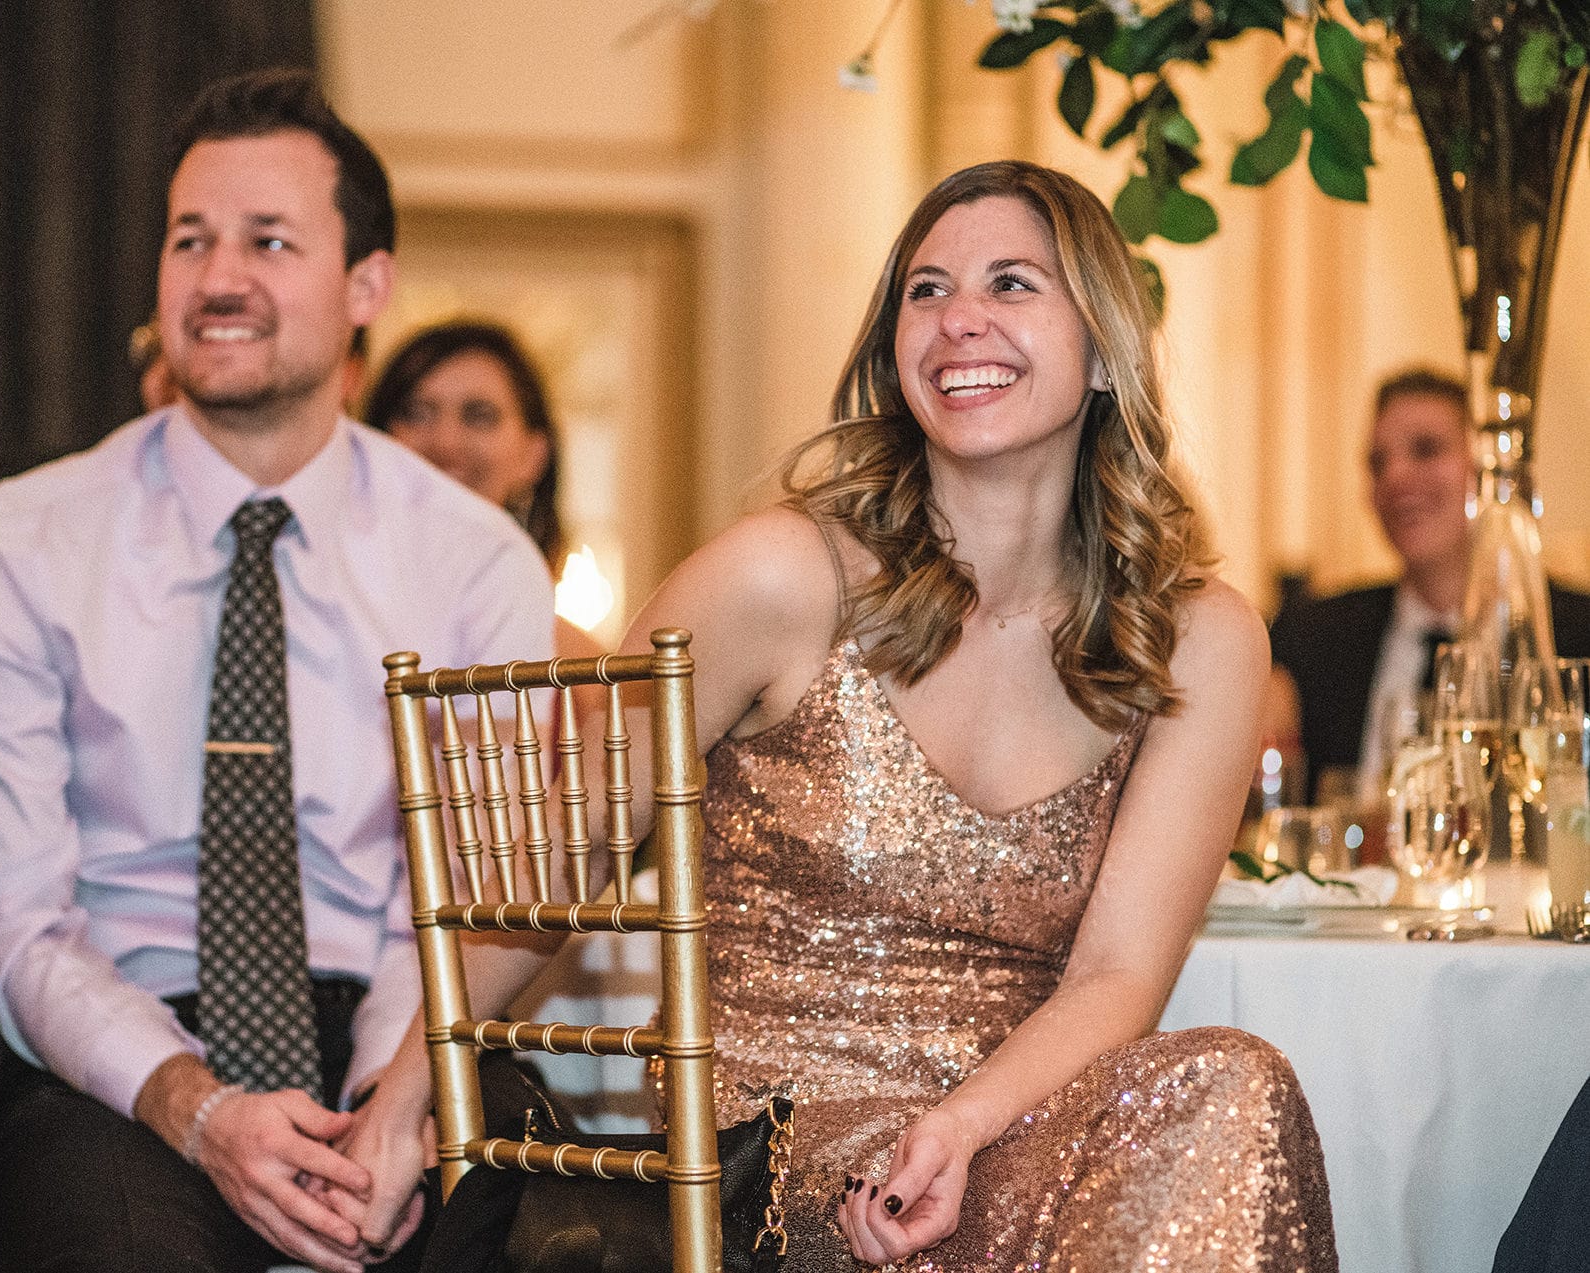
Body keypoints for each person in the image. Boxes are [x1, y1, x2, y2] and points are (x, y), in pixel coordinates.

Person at [346, 160, 1339, 1271]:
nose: (961, 318)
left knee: (1234, 1080)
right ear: (893, 353)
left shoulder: (1197, 637)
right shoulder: (781, 578)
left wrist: (957, 1125)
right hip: (764, 1155)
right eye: (926, 290)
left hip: (1003, 1127)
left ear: (1104, 346)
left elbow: (1118, 976)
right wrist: (401, 1101)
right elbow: (551, 867)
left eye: (1013, 283)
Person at [0, 69, 553, 1273]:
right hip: (117, 1060)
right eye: (190, 239)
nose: (218, 280)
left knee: (526, 1225)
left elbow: (472, 893)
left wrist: (393, 1100)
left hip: (394, 1032)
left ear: (368, 284)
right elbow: (18, 919)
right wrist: (196, 1109)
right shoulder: (15, 544)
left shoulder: (474, 561)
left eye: (269, 240)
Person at [1268, 367, 1590, 801]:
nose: (1395, 477)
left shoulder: (1575, 631)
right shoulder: (1313, 637)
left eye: (1426, 450)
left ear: (1486, 469)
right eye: (1378, 462)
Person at [362, 319, 600, 660]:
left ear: (534, 454)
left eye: (479, 416)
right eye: (416, 413)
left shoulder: (582, 672)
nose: (445, 442)